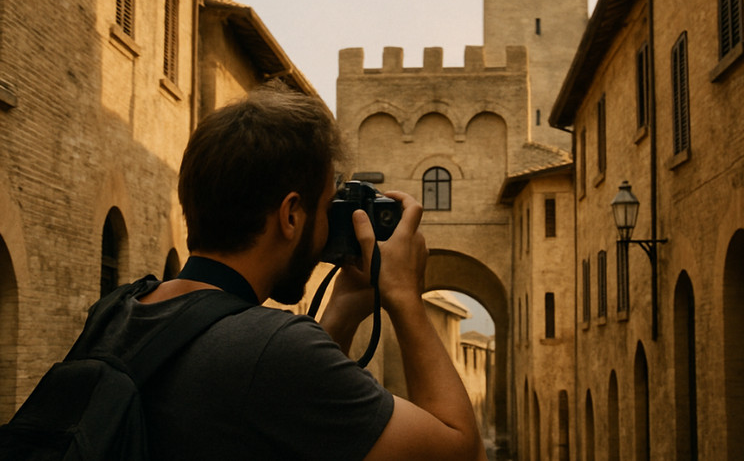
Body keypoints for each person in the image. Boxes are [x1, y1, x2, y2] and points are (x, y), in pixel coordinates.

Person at [113, 87, 486, 460]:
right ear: (291, 215)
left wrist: (342, 310)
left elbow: (280, 403)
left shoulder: (120, 309)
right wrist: (405, 297)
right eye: (327, 207)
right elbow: (462, 452)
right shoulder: (276, 350)